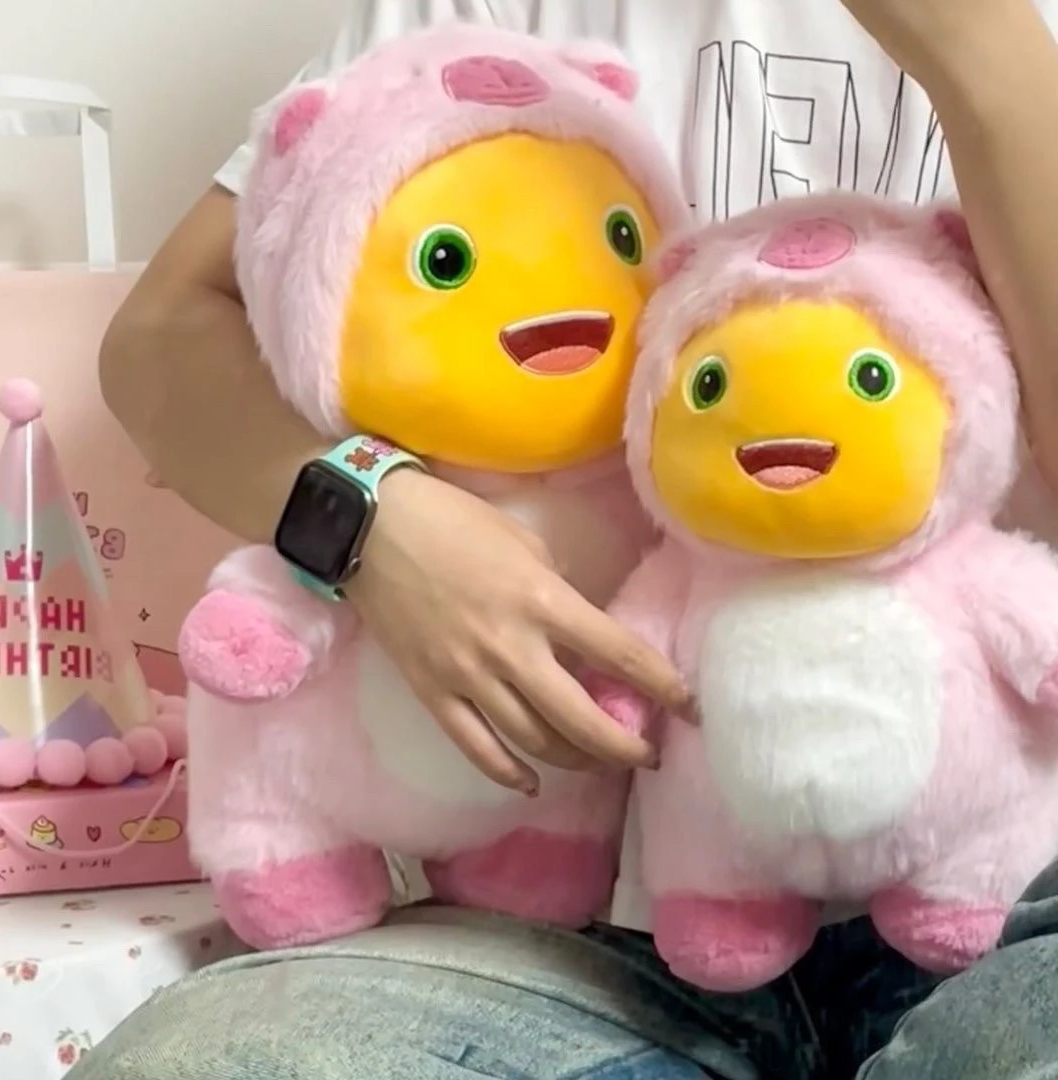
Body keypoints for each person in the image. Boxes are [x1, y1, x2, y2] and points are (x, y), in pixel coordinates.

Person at [74, 1, 1058, 1077]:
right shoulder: (497, 13)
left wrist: (983, 54)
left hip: (1012, 897)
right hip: (581, 915)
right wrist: (371, 514)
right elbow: (161, 337)